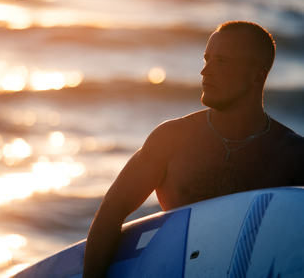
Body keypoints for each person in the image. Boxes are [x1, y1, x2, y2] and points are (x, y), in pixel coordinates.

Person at [82, 21, 304, 278]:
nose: (205, 71)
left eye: (222, 62)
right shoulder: (172, 139)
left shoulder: (293, 155)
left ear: (257, 75)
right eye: (207, 58)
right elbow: (112, 211)